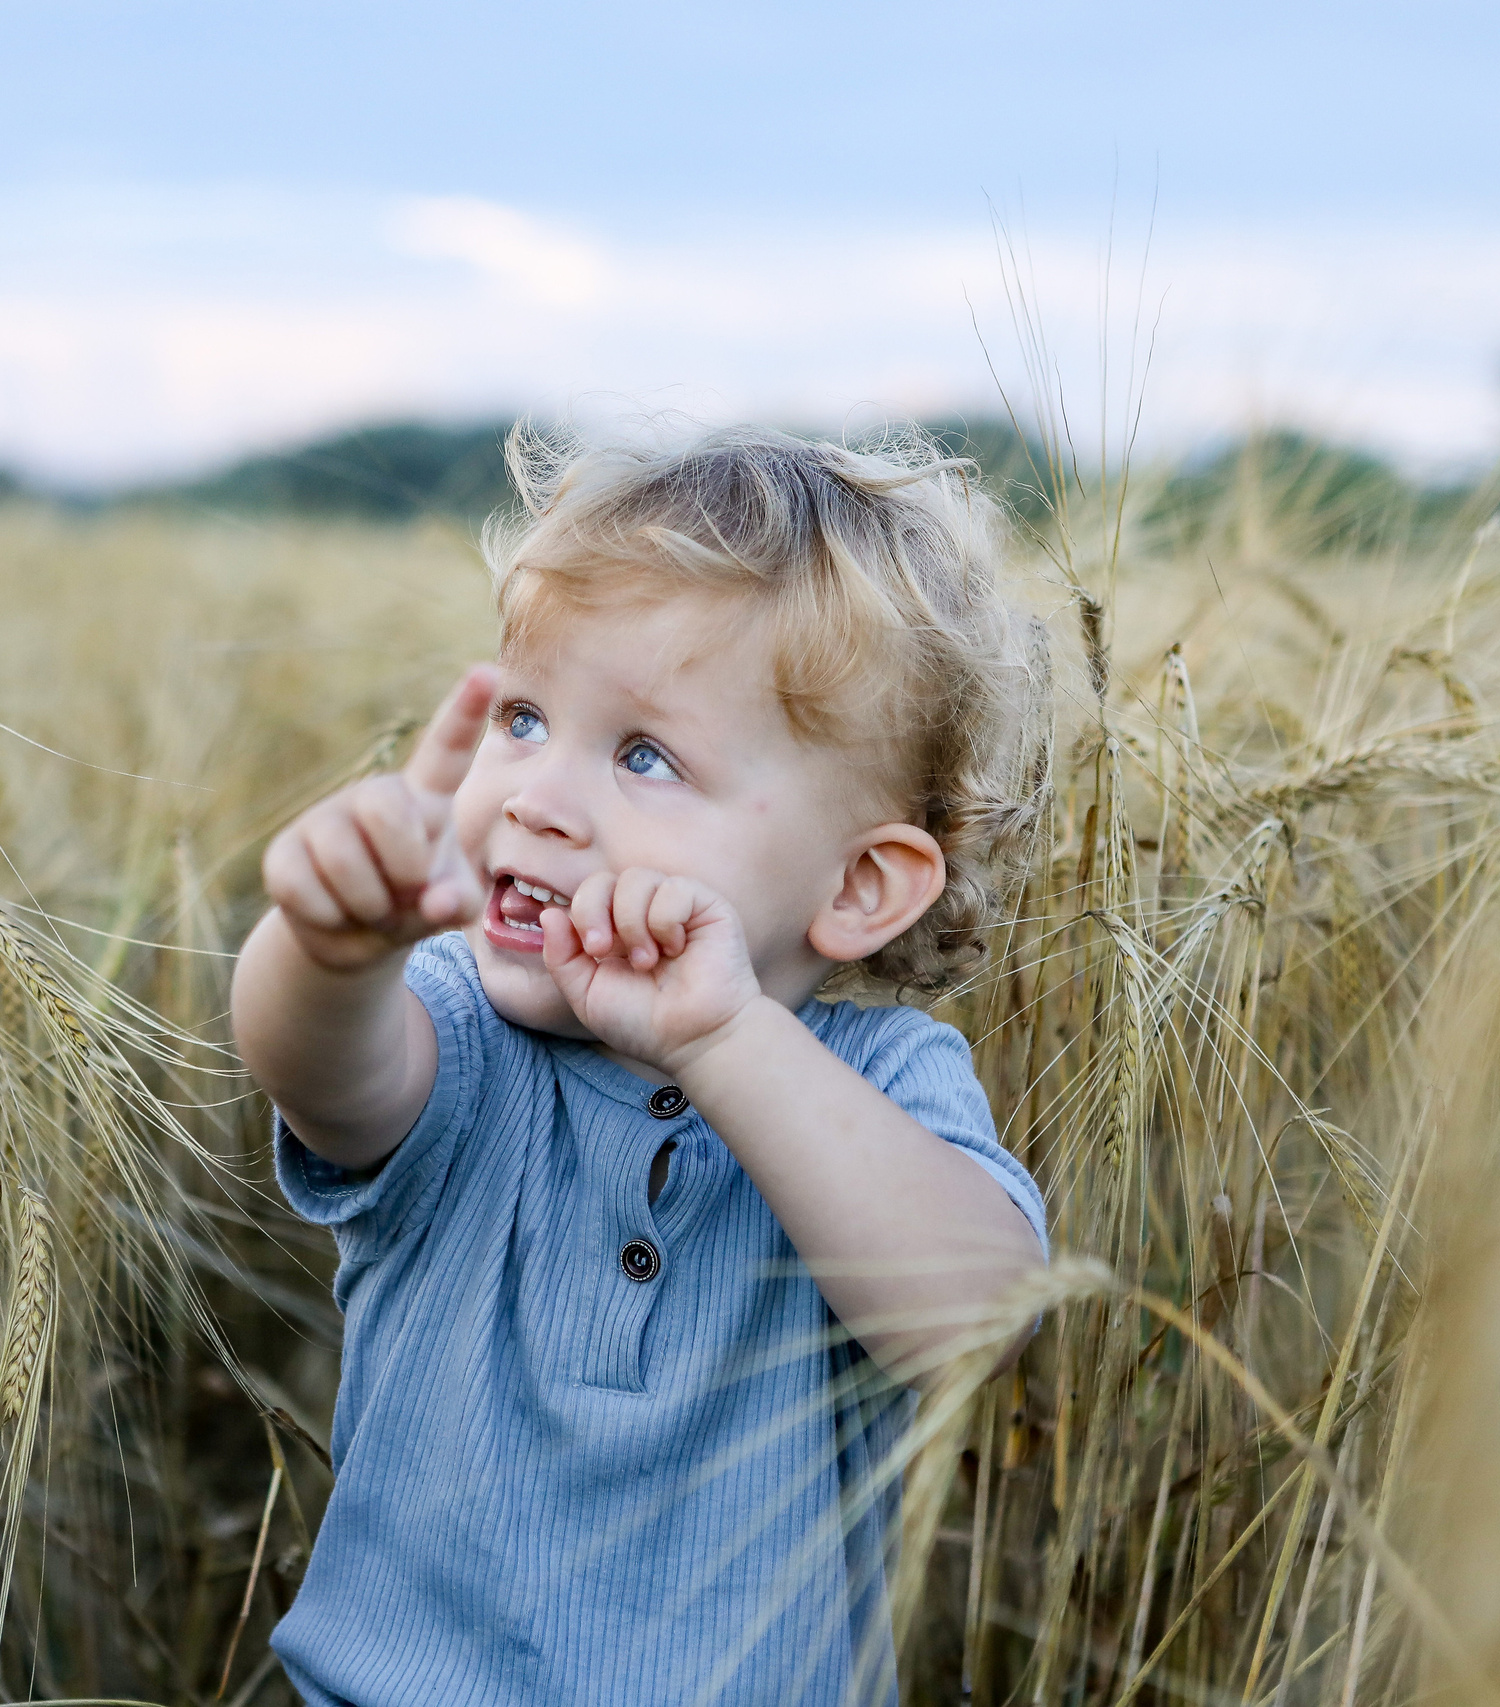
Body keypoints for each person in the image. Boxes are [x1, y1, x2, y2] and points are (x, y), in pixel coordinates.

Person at [231, 424, 1051, 1705]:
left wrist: (724, 1039)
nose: (537, 799)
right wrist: (332, 950)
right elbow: (319, 1073)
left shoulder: (880, 1080)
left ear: (857, 884)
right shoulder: (461, 1035)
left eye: (643, 755)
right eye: (523, 716)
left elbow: (977, 1324)